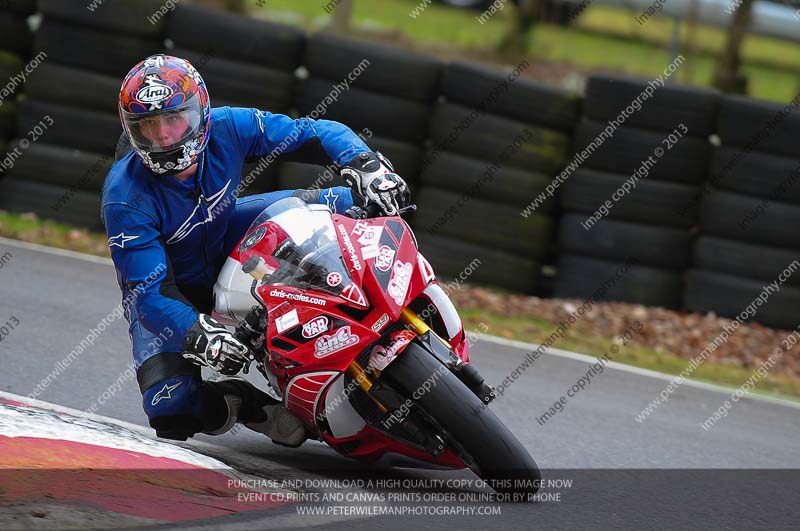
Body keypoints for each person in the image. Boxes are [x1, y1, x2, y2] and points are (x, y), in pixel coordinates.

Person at [101, 54, 410, 447]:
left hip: (230, 234)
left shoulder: (229, 125)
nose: (163, 136)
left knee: (357, 201)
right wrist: (199, 334)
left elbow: (310, 133)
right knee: (170, 408)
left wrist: (366, 164)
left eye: (173, 119)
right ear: (131, 129)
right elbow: (148, 291)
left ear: (200, 114)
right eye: (147, 126)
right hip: (176, 291)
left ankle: (395, 293)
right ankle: (248, 405)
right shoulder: (124, 197)